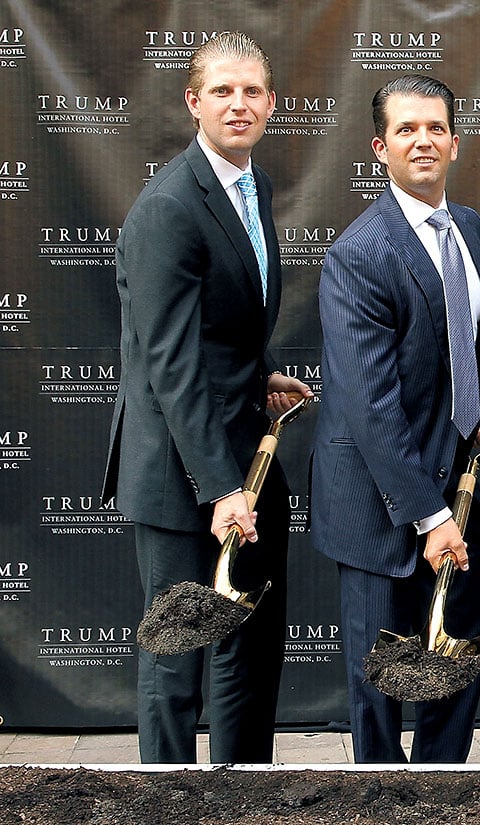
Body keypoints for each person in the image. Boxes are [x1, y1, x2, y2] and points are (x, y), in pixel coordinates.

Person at [102, 31, 313, 764]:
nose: (239, 103)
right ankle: (166, 803)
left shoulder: (247, 189)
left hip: (241, 459)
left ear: (272, 104)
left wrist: (261, 376)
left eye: (252, 91)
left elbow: (221, 328)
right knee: (177, 654)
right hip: (181, 476)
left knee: (246, 649)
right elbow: (169, 361)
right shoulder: (169, 206)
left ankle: (240, 794)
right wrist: (221, 485)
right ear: (194, 102)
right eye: (223, 90)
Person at [309, 74, 480, 764]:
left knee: (461, 649)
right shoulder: (359, 253)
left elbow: (466, 338)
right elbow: (370, 405)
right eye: (406, 130)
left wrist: (474, 412)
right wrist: (430, 515)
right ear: (379, 148)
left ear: (454, 140)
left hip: (458, 480)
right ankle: (383, 800)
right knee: (381, 679)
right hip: (379, 503)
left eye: (435, 128)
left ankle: (441, 786)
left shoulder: (468, 227)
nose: (423, 140)